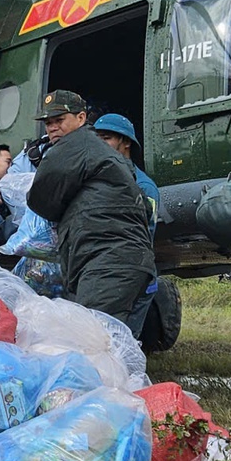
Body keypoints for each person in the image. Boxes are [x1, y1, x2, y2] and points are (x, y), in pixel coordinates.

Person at [26, 90, 157, 328]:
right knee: (106, 341)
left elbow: (40, 200)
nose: (53, 128)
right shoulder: (103, 152)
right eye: (48, 123)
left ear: (81, 118)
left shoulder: (72, 146)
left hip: (107, 261)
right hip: (118, 262)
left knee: (91, 340)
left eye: (59, 120)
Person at [91, 112, 163, 338]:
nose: (100, 144)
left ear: (126, 142)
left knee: (123, 345)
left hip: (133, 280)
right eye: (97, 139)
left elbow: (143, 239)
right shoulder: (94, 180)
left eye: (107, 138)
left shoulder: (144, 187)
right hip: (103, 277)